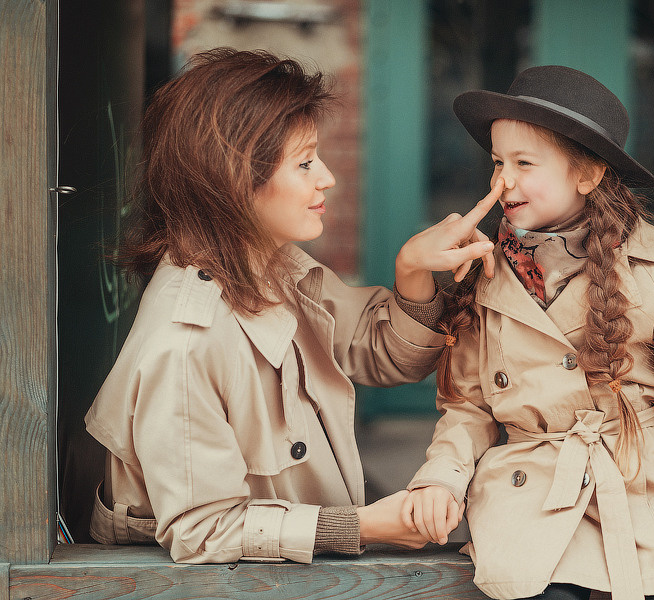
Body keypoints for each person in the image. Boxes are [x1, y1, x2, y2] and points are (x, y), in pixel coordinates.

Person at [84, 47, 502, 564]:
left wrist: (413, 270)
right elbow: (202, 532)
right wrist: (367, 525)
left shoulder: (274, 267)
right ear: (232, 176)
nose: (326, 177)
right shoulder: (186, 340)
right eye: (304, 162)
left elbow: (386, 355)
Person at [402, 66, 654, 600]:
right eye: (497, 163)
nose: (503, 181)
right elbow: (467, 407)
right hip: (531, 488)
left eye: (524, 163)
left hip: (643, 483)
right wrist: (441, 477)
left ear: (586, 175)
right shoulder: (483, 271)